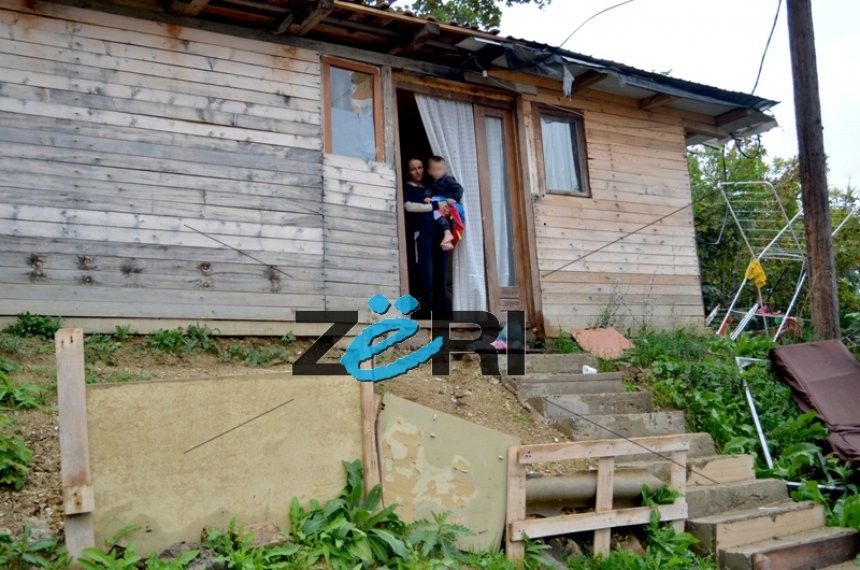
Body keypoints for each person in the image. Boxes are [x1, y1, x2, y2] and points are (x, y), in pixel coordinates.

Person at [402, 157, 452, 319]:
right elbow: (409, 206)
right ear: (408, 172)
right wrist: (434, 206)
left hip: (439, 236)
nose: (418, 171)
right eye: (413, 169)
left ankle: (442, 315)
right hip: (422, 236)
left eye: (420, 167)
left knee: (441, 275)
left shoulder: (431, 188)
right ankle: (424, 315)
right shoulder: (408, 187)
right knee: (425, 275)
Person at [425, 156, 465, 251]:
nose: (437, 172)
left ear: (445, 170)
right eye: (434, 169)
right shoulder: (431, 183)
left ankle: (451, 240)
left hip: (451, 205)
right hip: (440, 206)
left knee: (455, 224)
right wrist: (427, 197)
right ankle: (447, 234)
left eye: (440, 169)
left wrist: (453, 198)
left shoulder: (448, 179)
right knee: (437, 215)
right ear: (429, 171)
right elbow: (429, 191)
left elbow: (459, 189)